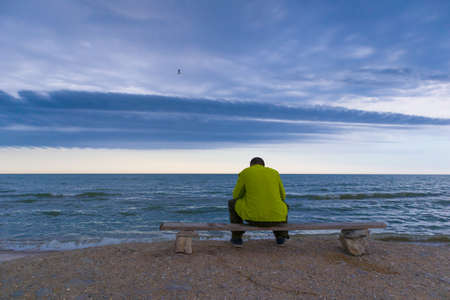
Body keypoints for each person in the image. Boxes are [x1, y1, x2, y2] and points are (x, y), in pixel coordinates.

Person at [228, 157, 289, 247]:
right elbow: (283, 195)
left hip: (252, 219)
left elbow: (236, 195)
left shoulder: (246, 172)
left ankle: (236, 238)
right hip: (276, 220)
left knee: (232, 203)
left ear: (251, 165)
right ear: (264, 165)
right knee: (284, 205)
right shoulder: (274, 173)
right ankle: (281, 238)